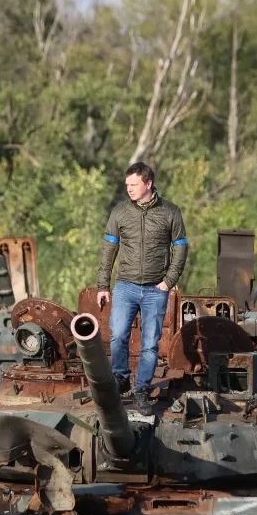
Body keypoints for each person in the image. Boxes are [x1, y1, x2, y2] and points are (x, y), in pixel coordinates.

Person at [95, 161, 187, 412]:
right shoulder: (120, 212)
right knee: (118, 335)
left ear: (148, 184)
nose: (129, 189)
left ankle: (142, 390)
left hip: (155, 290)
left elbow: (180, 248)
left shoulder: (170, 212)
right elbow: (108, 250)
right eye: (127, 184)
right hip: (125, 286)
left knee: (150, 344)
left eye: (133, 184)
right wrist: (103, 285)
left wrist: (168, 282)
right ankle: (120, 378)